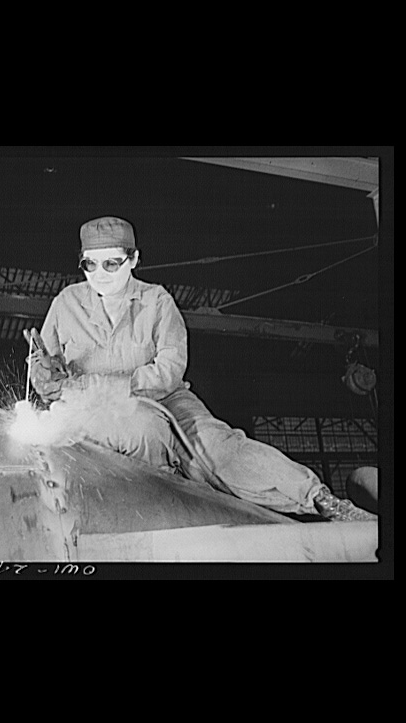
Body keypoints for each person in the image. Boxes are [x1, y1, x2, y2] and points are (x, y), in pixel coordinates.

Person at [29, 216, 376, 522]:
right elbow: (46, 378)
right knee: (141, 430)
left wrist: (99, 384)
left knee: (218, 448)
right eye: (90, 265)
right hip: (90, 411)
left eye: (112, 264)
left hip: (165, 398)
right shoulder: (65, 304)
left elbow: (169, 370)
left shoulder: (158, 301)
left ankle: (320, 500)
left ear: (134, 259)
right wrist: (44, 377)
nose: (100, 275)